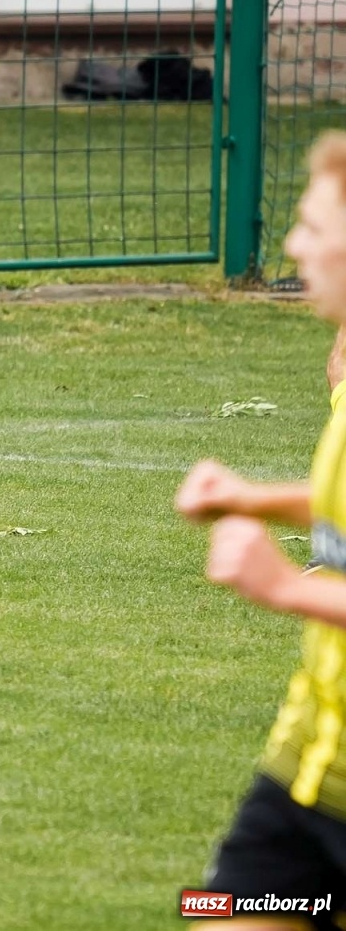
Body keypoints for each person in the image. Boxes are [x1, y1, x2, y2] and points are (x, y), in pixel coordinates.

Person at [176, 132, 346, 929]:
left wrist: (283, 587)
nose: (291, 245)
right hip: (307, 774)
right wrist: (254, 498)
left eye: (313, 228)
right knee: (216, 908)